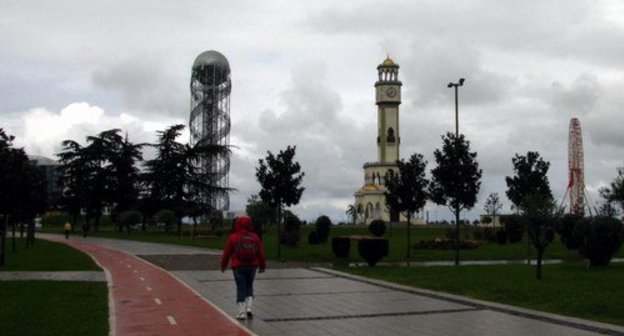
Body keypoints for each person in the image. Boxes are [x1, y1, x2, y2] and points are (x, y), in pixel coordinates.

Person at [220, 216, 266, 320]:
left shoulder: (233, 237)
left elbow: (227, 253)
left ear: (238, 224)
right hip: (252, 266)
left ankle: (241, 313)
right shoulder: (255, 237)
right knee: (249, 286)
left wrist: (223, 265)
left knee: (240, 287)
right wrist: (262, 266)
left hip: (238, 266)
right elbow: (261, 254)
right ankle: (249, 308)